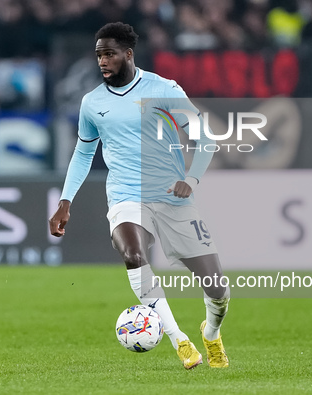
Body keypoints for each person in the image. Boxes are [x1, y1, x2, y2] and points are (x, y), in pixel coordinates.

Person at [49, 22, 229, 369]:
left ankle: (211, 333)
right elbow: (84, 154)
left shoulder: (163, 89)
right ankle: (180, 340)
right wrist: (65, 201)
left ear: (128, 54)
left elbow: (204, 138)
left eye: (110, 54)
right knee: (132, 252)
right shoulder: (92, 103)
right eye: (99, 55)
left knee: (218, 289)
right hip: (125, 196)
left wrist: (191, 180)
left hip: (172, 197)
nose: (102, 61)